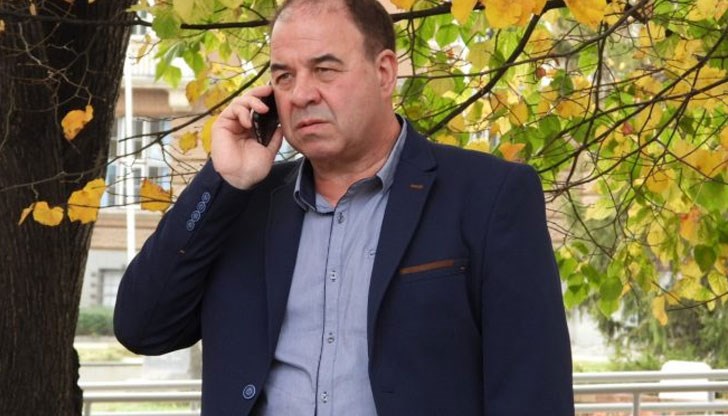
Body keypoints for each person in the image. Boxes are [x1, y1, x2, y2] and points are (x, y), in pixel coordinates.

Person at [113, 0, 575, 414]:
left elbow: (533, 391)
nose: (301, 94)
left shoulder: (489, 195)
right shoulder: (242, 203)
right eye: (284, 76)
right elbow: (143, 328)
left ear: (385, 72)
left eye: (325, 69)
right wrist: (223, 181)